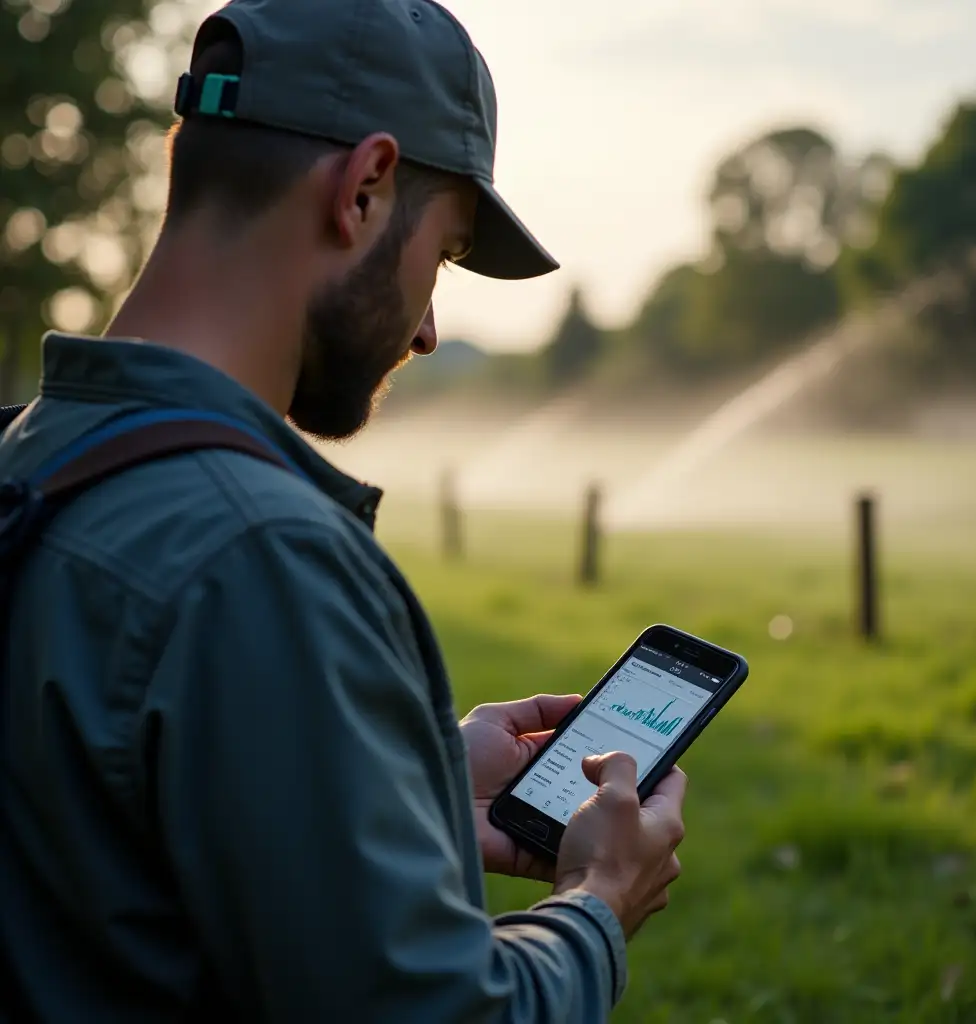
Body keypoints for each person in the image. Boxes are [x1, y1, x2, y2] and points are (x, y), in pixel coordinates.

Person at [0, 1, 688, 1020]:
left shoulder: (32, 456)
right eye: (444, 255)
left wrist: (392, 782)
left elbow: (91, 847)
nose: (428, 329)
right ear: (363, 188)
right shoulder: (254, 555)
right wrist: (597, 901)